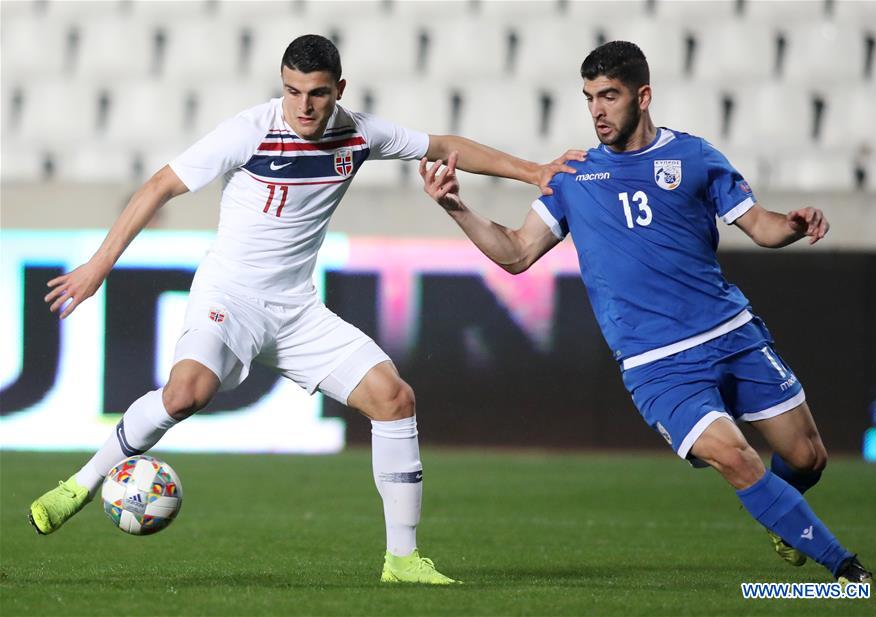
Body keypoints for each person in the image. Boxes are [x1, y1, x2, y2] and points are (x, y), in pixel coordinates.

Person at [28, 34, 578, 585]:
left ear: (339, 90)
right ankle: (80, 484)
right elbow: (159, 186)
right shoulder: (252, 130)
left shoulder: (359, 133)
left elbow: (443, 144)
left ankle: (402, 561)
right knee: (185, 393)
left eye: (316, 94)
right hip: (229, 298)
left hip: (296, 311)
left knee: (394, 398)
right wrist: (100, 265)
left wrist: (534, 173)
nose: (303, 107)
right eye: (292, 92)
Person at [419, 41, 872, 585]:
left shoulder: (695, 158)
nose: (597, 111)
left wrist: (795, 224)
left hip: (733, 333)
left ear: (643, 95)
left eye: (608, 96)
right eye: (589, 98)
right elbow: (516, 252)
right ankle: (844, 568)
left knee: (807, 458)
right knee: (736, 459)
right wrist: (457, 207)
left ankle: (783, 516)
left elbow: (762, 226)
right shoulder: (573, 176)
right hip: (656, 361)